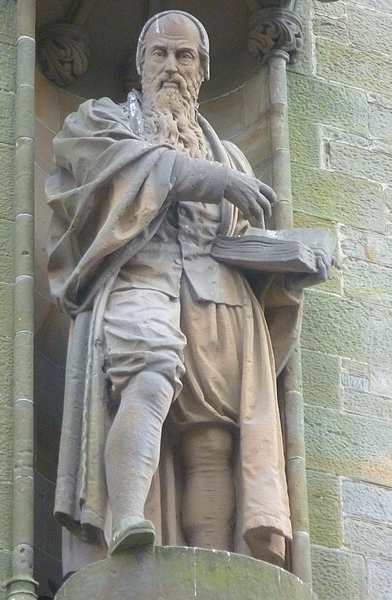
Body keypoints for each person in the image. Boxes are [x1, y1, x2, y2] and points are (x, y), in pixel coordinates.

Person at [46, 10, 309, 575]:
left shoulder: (229, 155)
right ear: (140, 63)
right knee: (148, 374)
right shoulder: (100, 120)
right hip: (139, 280)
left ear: (203, 69)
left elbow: (237, 240)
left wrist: (287, 267)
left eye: (184, 56)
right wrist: (211, 180)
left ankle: (210, 566)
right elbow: (112, 169)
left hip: (219, 302)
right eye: (159, 54)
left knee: (212, 440)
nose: (171, 66)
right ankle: (125, 522)